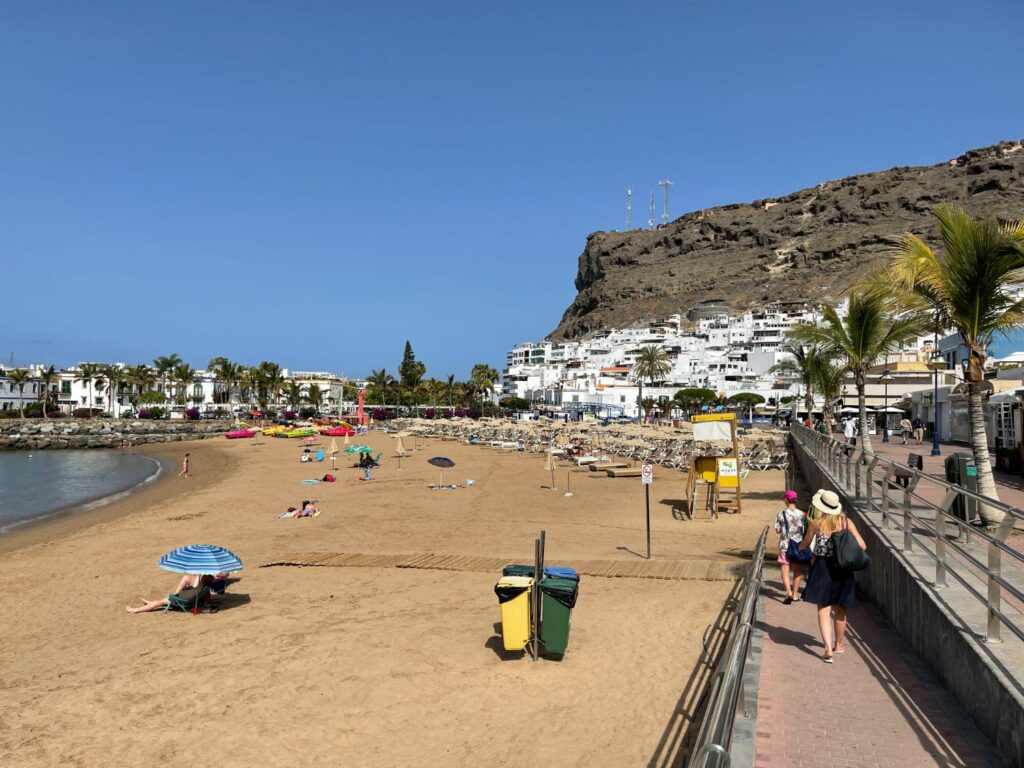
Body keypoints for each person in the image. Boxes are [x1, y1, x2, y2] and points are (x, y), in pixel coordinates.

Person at [800, 490, 867, 663]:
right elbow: (862, 545)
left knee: (823, 609)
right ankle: (839, 645)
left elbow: (805, 545)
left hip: (822, 568)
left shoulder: (816, 523)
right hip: (842, 569)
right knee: (840, 609)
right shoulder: (846, 522)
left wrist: (803, 546)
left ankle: (827, 649)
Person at [774, 490, 807, 605]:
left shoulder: (781, 514)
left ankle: (788, 592)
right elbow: (804, 529)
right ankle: (795, 594)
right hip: (798, 545)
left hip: (785, 545)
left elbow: (777, 530)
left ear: (786, 500)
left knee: (785, 568)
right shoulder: (802, 514)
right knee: (797, 569)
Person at [126, 573, 213, 614]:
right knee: (161, 601)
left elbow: (176, 594)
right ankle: (150, 602)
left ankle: (135, 610)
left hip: (181, 602)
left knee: (159, 603)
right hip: (191, 602)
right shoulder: (204, 584)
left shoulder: (190, 582)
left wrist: (174, 595)